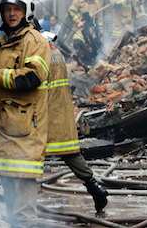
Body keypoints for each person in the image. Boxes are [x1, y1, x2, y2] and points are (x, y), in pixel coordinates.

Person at [0, 0, 50, 227]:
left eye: (16, 9)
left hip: (25, 132)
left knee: (24, 206)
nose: (11, 14)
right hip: (4, 132)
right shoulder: (1, 43)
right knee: (10, 202)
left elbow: (32, 78)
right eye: (7, 9)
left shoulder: (34, 41)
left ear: (26, 11)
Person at [41, 31, 109, 213]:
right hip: (61, 112)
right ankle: (96, 188)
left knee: (31, 152)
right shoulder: (57, 55)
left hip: (46, 112)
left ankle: (23, 196)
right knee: (70, 153)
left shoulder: (44, 57)